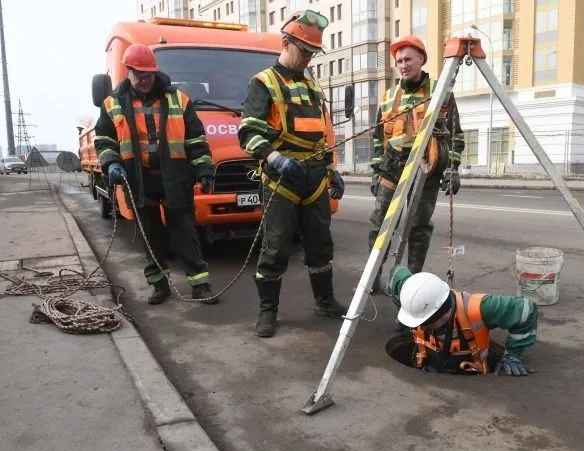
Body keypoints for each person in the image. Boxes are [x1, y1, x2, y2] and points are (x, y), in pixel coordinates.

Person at [238, 10, 347, 338]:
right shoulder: (264, 83)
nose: (308, 58)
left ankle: (325, 301)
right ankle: (268, 312)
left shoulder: (312, 86)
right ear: (285, 43)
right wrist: (274, 157)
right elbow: (248, 133)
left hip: (314, 179)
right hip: (281, 179)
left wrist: (331, 170)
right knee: (275, 248)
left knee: (320, 244)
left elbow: (321, 135)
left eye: (313, 53)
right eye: (305, 51)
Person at [94, 44, 218, 305]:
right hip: (138, 179)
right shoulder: (112, 103)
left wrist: (204, 169)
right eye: (139, 75)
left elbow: (196, 139)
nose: (145, 80)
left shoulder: (178, 99)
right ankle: (159, 285)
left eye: (149, 75)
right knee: (150, 235)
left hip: (175, 177)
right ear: (128, 72)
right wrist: (112, 163)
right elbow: (104, 139)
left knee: (184, 231)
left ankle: (200, 285)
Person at [368, 35, 465, 295]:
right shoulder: (388, 97)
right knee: (380, 224)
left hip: (426, 168)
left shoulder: (440, 91)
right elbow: (379, 138)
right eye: (399, 60)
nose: (403, 64)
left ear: (422, 59)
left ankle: (409, 280)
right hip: (392, 167)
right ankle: (372, 277)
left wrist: (453, 169)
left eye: (408, 59)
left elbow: (456, 134)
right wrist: (376, 172)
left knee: (419, 225)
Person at [388, 266, 538, 376]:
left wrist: (513, 354)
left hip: (471, 375)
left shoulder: (479, 308)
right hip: (427, 367)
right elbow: (397, 272)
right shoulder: (416, 294)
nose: (421, 326)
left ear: (444, 312)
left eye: (426, 322)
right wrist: (407, 313)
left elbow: (525, 309)